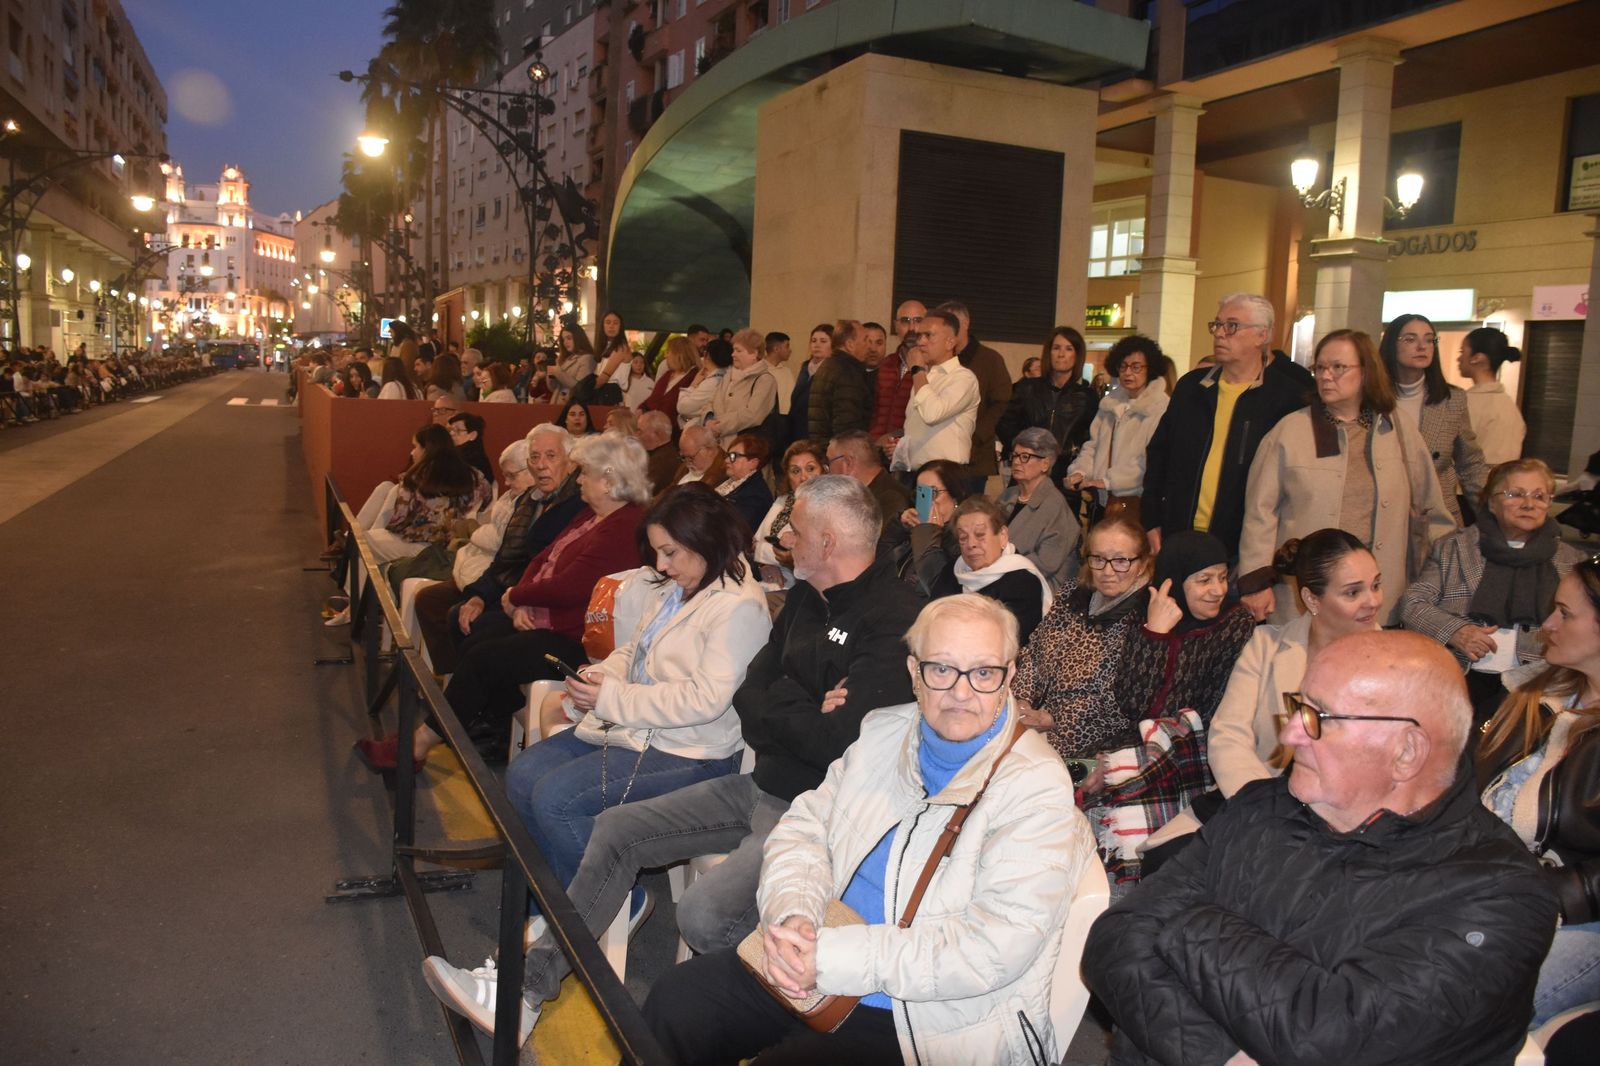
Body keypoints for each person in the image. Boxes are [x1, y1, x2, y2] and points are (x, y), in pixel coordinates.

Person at [419, 476, 925, 1044]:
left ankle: (773, 1012)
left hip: (820, 812)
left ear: (828, 542)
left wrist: (785, 699)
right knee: (613, 830)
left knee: (701, 916)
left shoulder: (898, 618)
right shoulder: (810, 594)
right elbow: (751, 694)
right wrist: (801, 701)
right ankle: (523, 993)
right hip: (761, 782)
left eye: (795, 529)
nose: (782, 538)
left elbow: (832, 740)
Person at [641, 594, 1093, 1065]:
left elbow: (990, 949)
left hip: (925, 1016)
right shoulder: (884, 732)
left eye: (983, 673)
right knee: (679, 1002)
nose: (962, 693)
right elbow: (805, 828)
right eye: (942, 670)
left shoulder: (1035, 785)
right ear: (914, 672)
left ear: (1010, 675)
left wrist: (831, 956)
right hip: (819, 953)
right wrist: (795, 914)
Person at [1088, 631, 1559, 1066]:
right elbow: (1116, 939)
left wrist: (1189, 919)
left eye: (1318, 717)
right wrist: (1219, 1056)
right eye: (1298, 707)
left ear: (1407, 751)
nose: (1291, 734)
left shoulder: (1498, 894)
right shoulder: (1264, 805)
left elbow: (1325, 1036)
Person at [500, 484, 773, 900]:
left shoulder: (739, 608)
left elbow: (704, 701)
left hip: (693, 753)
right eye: (658, 553)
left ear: (707, 540)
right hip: (641, 729)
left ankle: (611, 899)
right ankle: (564, 904)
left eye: (671, 552)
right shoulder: (681, 586)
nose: (662, 566)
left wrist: (609, 698)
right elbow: (636, 648)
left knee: (556, 799)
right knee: (522, 778)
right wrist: (600, 674)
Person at [355, 433, 649, 768]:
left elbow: (572, 587)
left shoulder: (624, 527)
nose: (578, 478)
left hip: (575, 639)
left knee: (485, 657)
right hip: (547, 616)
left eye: (585, 473)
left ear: (609, 481)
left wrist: (517, 597)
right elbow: (540, 559)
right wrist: (519, 601)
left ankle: (418, 745)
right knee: (477, 630)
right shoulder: (592, 514)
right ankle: (491, 726)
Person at [1241, 328, 1453, 625]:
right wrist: (1255, 582)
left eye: (1338, 367)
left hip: (1379, 597)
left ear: (1366, 372)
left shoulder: (1398, 429)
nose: (1326, 376)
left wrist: (1442, 578)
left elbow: (1431, 510)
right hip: (1310, 596)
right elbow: (1259, 513)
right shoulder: (1290, 431)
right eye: (1320, 367)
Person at [1477, 556, 1600, 1026]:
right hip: (1494, 890)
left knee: (1478, 1010)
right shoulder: (1531, 694)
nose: (1546, 624)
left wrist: (1535, 896)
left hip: (1577, 918)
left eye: (1565, 614)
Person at [1141, 292, 1315, 574]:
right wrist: (1151, 520)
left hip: (1241, 548)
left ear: (1262, 335)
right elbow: (1159, 455)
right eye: (1217, 325)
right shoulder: (1192, 388)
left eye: (1232, 326)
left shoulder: (1287, 398)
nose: (1220, 334)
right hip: (1179, 536)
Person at [1404, 458, 1586, 724]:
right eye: (1516, 494)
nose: (1529, 503)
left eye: (1539, 496)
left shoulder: (1571, 561)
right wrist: (1456, 631)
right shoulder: (1453, 548)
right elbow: (1412, 603)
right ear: (1491, 502)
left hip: (1538, 683)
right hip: (1461, 677)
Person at [414, 425, 587, 674]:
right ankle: (459, 690)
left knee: (477, 636)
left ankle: (470, 701)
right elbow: (505, 559)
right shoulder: (529, 501)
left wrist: (517, 600)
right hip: (510, 591)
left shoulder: (577, 506)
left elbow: (550, 572)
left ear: (570, 462)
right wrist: (478, 596)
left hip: (536, 605)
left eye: (551, 456)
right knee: (459, 614)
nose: (541, 465)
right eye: (535, 457)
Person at [1013, 513, 1153, 758]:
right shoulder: (1072, 594)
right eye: (1098, 558)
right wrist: (1022, 700)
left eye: (1121, 560)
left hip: (1085, 741)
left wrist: (1054, 720)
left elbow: (1123, 704)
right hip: (1031, 718)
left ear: (1142, 563)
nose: (1107, 571)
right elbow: (1034, 653)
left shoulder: (1145, 617)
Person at [1380, 313, 1489, 523]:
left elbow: (1470, 463)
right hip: (1384, 514)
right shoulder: (1370, 399)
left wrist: (1492, 516)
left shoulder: (1452, 400)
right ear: (1391, 345)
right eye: (1410, 339)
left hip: (1437, 517)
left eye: (1429, 340)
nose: (1422, 347)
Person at [1065, 334, 1173, 526]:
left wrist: (1109, 481)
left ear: (1150, 369)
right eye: (1123, 366)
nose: (1128, 373)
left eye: (1136, 367)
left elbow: (1150, 461)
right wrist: (1081, 471)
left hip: (1135, 502)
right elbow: (1093, 445)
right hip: (1101, 500)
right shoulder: (1110, 404)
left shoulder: (1160, 408)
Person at [925, 496, 1052, 642]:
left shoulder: (1023, 581)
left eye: (980, 535)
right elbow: (930, 621)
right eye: (963, 537)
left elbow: (1009, 641)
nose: (971, 544)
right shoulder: (952, 572)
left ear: (1002, 536)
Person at [998, 326, 1099, 482]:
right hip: (1026, 473)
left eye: (1069, 349)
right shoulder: (1026, 389)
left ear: (1077, 355)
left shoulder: (1087, 397)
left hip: (1066, 476)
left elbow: (1091, 439)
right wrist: (1026, 451)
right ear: (1048, 353)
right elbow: (1005, 425)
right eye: (1056, 348)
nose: (1061, 354)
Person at [938, 301, 1012, 492]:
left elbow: (1002, 403)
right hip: (939, 455)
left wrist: (977, 435)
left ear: (965, 324)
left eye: (951, 324)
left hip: (974, 457)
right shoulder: (938, 361)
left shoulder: (990, 360)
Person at [895, 310, 980, 470]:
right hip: (916, 471)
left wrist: (917, 370)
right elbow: (915, 426)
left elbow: (932, 414)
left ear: (950, 342)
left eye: (928, 335)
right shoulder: (924, 376)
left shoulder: (963, 378)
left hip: (946, 472)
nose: (921, 342)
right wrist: (900, 448)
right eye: (919, 336)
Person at [998, 427, 1079, 588]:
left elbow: (1046, 564)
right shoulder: (1008, 495)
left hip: (1039, 588)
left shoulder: (1055, 505)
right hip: (1004, 577)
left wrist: (997, 563)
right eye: (1014, 455)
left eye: (1025, 457)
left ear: (1045, 464)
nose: (1016, 462)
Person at [826, 430, 911, 556]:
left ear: (848, 463)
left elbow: (872, 553)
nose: (828, 472)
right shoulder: (865, 495)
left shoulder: (891, 498)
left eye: (829, 463)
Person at [898, 458, 974, 593]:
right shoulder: (915, 529)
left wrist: (928, 535)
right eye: (921, 495)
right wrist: (898, 526)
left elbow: (938, 587)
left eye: (933, 493)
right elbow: (879, 561)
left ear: (956, 495)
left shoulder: (964, 538)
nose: (927, 503)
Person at [1459, 326, 1526, 466]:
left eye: (1462, 351)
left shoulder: (1466, 403)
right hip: (1502, 483)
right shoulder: (1509, 405)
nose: (1459, 358)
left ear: (1477, 358)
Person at [868, 299, 923, 452]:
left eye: (918, 320)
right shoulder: (886, 364)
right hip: (877, 449)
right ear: (895, 326)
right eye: (905, 321)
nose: (912, 328)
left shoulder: (932, 368)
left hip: (909, 452)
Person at [707, 328, 778, 446]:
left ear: (754, 354)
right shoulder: (728, 376)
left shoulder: (765, 380)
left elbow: (753, 415)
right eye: (733, 350)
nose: (733, 354)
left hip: (746, 449)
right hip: (720, 446)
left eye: (738, 350)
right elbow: (711, 402)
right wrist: (708, 420)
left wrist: (718, 427)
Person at [806, 319, 872, 442]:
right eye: (865, 339)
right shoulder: (847, 373)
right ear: (850, 345)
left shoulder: (828, 366)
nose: (869, 345)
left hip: (823, 447)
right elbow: (847, 426)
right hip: (840, 453)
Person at [714, 433, 775, 539]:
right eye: (727, 455)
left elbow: (735, 532)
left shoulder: (756, 496)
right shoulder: (728, 483)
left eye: (733, 456)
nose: (727, 460)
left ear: (753, 463)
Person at [787, 324, 832, 446]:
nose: (817, 345)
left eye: (823, 341)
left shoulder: (833, 370)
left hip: (818, 434)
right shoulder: (805, 367)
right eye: (813, 341)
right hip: (797, 430)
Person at [639, 336, 700, 425]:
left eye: (668, 352)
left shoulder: (694, 375)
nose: (665, 355)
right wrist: (641, 409)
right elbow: (653, 399)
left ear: (679, 354)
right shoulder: (668, 374)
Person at [676, 337, 732, 428]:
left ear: (707, 355)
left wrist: (693, 385)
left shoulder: (713, 382)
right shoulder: (726, 376)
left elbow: (683, 407)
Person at [548, 323, 597, 403]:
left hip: (572, 405)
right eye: (563, 339)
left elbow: (580, 387)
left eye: (569, 338)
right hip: (556, 402)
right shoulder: (564, 359)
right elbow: (554, 388)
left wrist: (558, 372)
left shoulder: (587, 358)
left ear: (578, 338)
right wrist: (550, 376)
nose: (565, 342)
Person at [670, 424, 726, 489]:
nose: (687, 463)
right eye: (683, 457)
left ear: (708, 450)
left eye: (691, 457)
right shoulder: (684, 468)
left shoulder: (722, 472)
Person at [637, 410, 680, 495]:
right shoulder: (659, 453)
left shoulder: (664, 461)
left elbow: (641, 492)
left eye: (640, 431)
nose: (637, 435)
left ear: (656, 434)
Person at [447, 412, 494, 486]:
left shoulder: (474, 458)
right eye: (451, 430)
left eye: (458, 430)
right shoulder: (454, 453)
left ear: (473, 435)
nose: (451, 433)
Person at [763, 332, 795, 417]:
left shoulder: (787, 371)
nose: (790, 350)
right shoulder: (760, 370)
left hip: (787, 419)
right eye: (787, 346)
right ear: (776, 349)